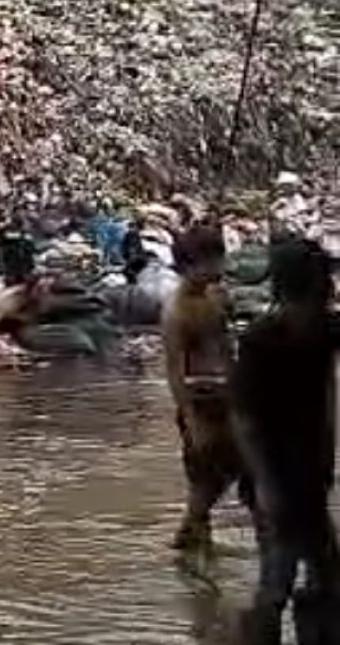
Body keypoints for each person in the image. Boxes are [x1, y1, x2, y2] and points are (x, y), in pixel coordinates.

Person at [234, 238, 338, 645]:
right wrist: (264, 485)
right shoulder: (262, 340)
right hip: (274, 473)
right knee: (277, 582)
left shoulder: (324, 329)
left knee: (325, 572)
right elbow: (243, 420)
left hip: (309, 471)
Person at [161, 225, 253, 552]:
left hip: (227, 396)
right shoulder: (176, 311)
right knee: (208, 478)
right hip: (201, 403)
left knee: (231, 471)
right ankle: (189, 541)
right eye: (211, 262)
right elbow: (174, 369)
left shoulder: (216, 295)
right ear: (189, 265)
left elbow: (227, 347)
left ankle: (195, 548)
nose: (219, 268)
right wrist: (191, 420)